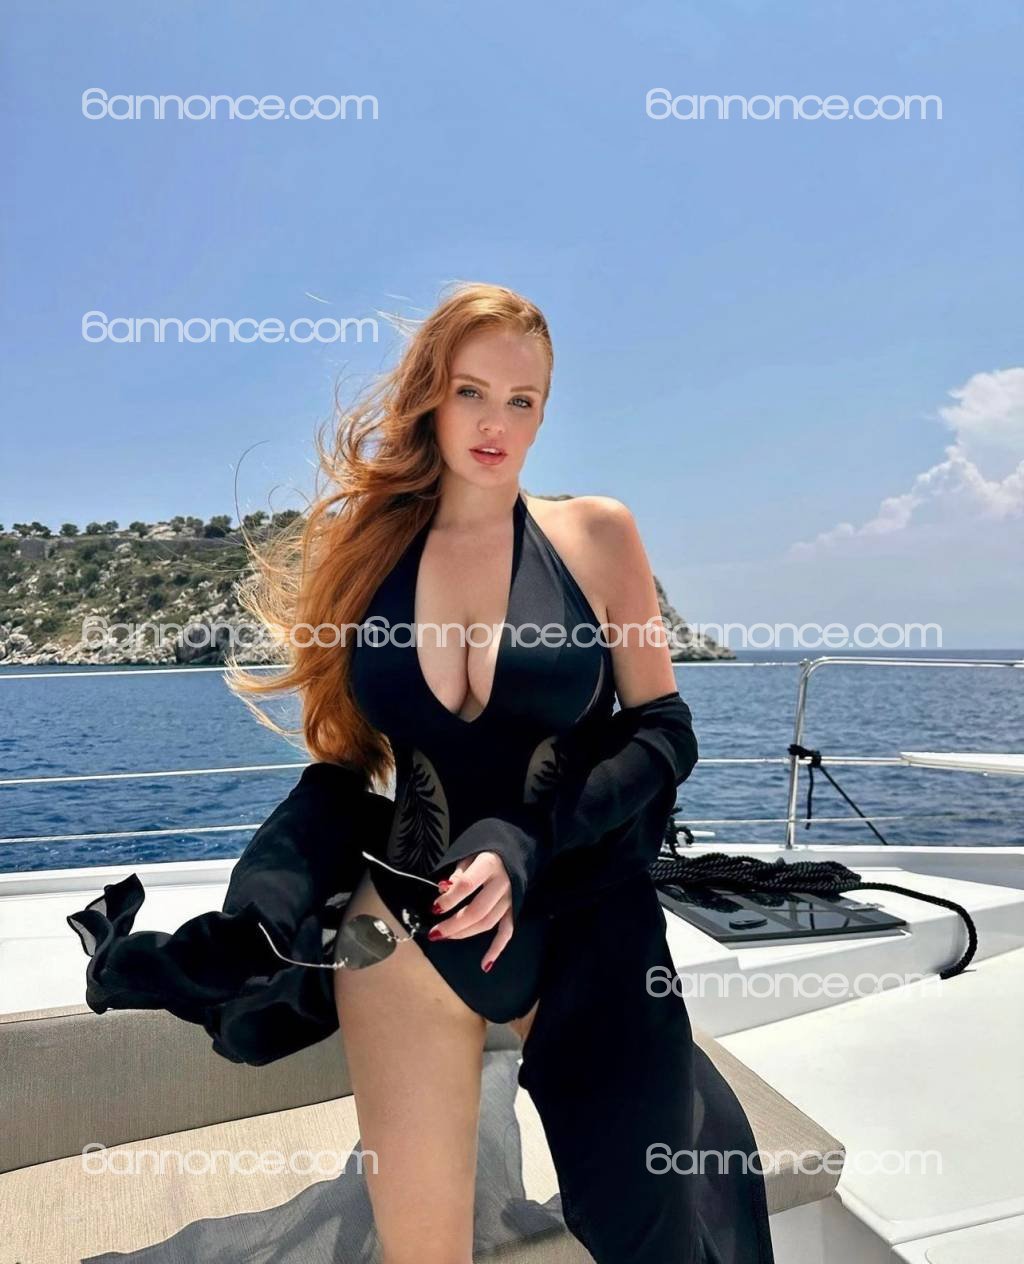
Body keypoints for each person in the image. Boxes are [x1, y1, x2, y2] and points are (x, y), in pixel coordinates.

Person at [68, 282, 774, 1263]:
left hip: (584, 912)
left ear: (544, 413)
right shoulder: (370, 554)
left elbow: (662, 733)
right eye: (470, 392)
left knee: (650, 1231)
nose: (495, 424)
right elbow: (348, 763)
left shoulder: (596, 534)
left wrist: (524, 840)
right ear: (429, 399)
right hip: (404, 929)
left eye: (521, 400)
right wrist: (269, 904)